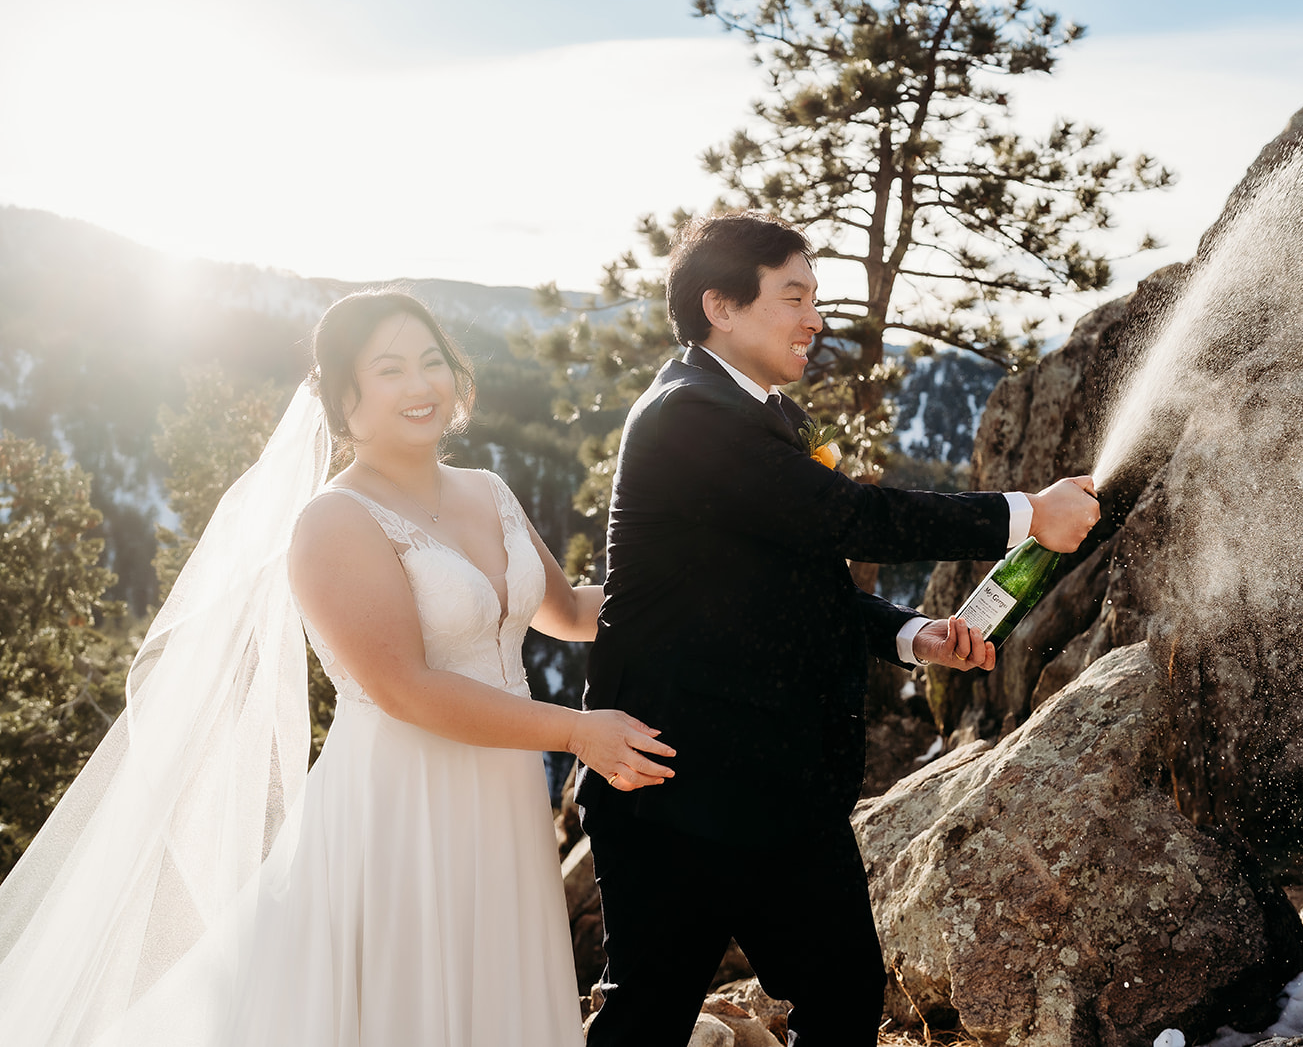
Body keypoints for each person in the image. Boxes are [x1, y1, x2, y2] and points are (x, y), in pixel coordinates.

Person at [0, 290, 673, 1046]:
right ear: (342, 397)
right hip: (400, 802)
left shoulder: (489, 489)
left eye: (431, 362)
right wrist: (578, 731)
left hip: (504, 796)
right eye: (389, 369)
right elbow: (405, 688)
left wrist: (693, 579)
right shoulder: (333, 521)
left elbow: (569, 612)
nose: (421, 386)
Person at [577, 212, 1101, 1047]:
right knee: (650, 1010)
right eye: (794, 296)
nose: (816, 318)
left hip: (775, 785)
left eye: (815, 296)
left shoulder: (755, 412)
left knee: (845, 988)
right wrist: (1029, 514)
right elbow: (851, 517)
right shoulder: (686, 415)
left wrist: (911, 634)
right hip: (674, 784)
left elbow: (787, 583)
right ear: (720, 305)